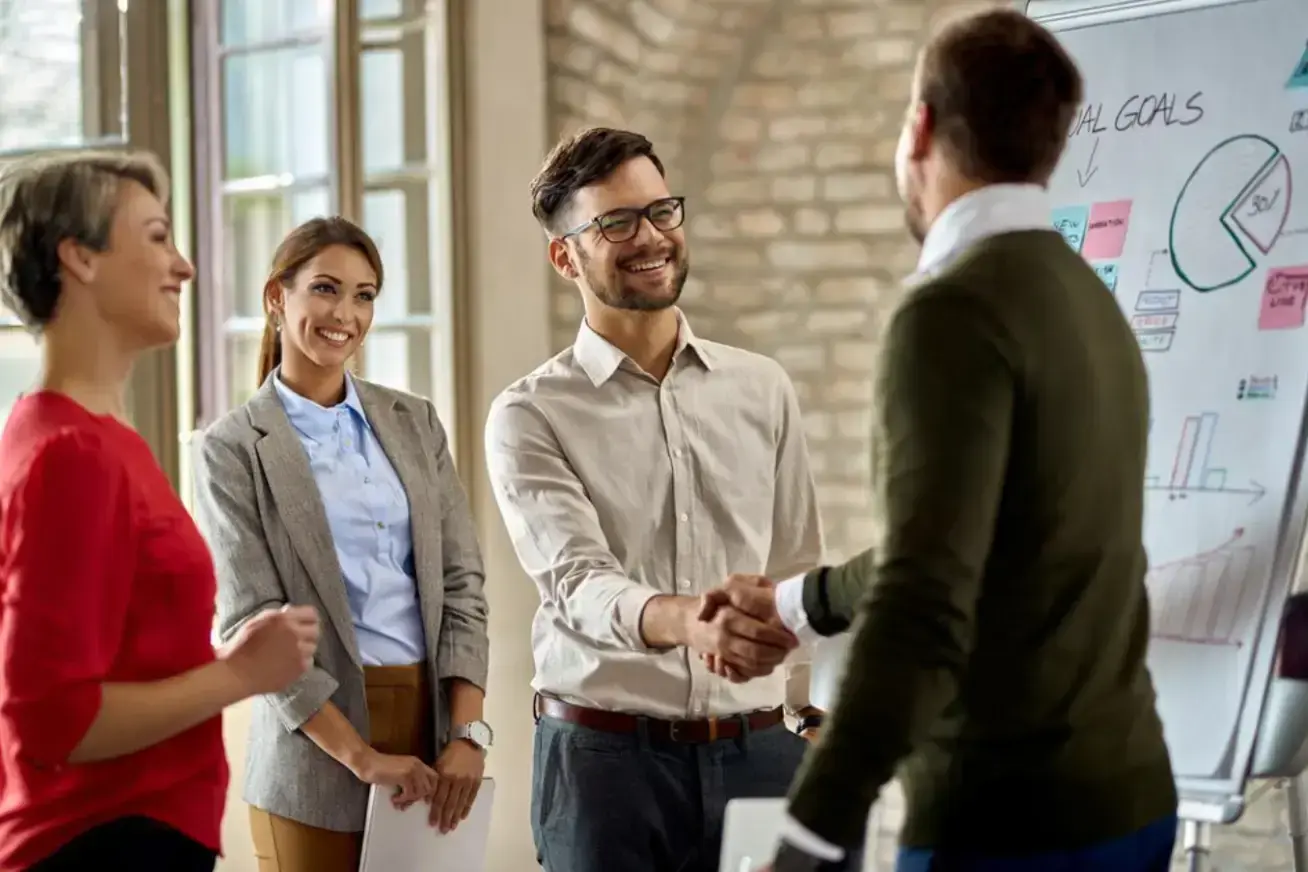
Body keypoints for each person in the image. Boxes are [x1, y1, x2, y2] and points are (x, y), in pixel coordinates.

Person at [710, 9, 1180, 872]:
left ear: (919, 126)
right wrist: (792, 604)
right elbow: (977, 541)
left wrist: (808, 831)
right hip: (1133, 799)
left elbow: (925, 600)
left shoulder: (951, 313)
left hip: (1005, 822)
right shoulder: (1089, 302)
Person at [483, 126, 828, 872]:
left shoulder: (761, 388)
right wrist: (689, 623)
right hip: (604, 769)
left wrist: (810, 711)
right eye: (616, 222)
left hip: (764, 756)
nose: (650, 237)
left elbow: (798, 562)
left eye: (661, 211)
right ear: (565, 254)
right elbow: (577, 582)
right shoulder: (529, 414)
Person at [0, 150, 320, 872]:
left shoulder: (94, 439)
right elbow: (54, 720)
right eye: (155, 237)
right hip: (99, 844)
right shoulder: (70, 455)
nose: (184, 266)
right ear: (79, 258)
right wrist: (240, 674)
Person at [190, 216, 492, 872]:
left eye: (364, 295)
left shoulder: (415, 422)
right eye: (326, 289)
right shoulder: (232, 448)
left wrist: (468, 733)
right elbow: (252, 621)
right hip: (313, 753)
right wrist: (360, 755)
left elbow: (463, 583)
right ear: (278, 297)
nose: (346, 314)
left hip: (433, 729)